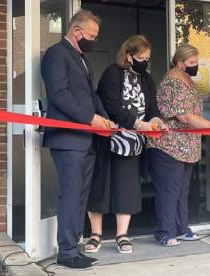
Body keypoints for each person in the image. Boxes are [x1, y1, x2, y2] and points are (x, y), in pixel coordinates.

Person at [41, 9, 114, 269]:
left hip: (86, 139)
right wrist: (90, 119)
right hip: (68, 140)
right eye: (91, 36)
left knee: (80, 196)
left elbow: (92, 97)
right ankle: (67, 252)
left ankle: (74, 247)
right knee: (71, 195)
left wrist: (105, 119)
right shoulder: (56, 55)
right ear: (76, 31)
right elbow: (59, 94)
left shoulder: (81, 58)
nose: (94, 41)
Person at [85, 35, 166, 254]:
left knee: (126, 188)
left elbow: (153, 110)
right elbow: (109, 104)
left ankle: (122, 234)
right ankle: (95, 234)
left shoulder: (147, 80)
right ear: (129, 55)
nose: (145, 61)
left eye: (148, 58)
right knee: (99, 187)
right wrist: (138, 123)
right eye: (141, 57)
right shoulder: (112, 73)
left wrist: (156, 122)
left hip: (133, 144)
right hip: (108, 140)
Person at [147, 44, 210, 247]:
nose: (195, 66)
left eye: (196, 63)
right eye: (192, 63)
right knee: (169, 191)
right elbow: (185, 116)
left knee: (181, 191)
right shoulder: (172, 82)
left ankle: (181, 228)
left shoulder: (186, 80)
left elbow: (191, 105)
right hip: (168, 146)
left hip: (186, 147)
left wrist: (209, 98)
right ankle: (164, 231)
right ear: (180, 63)